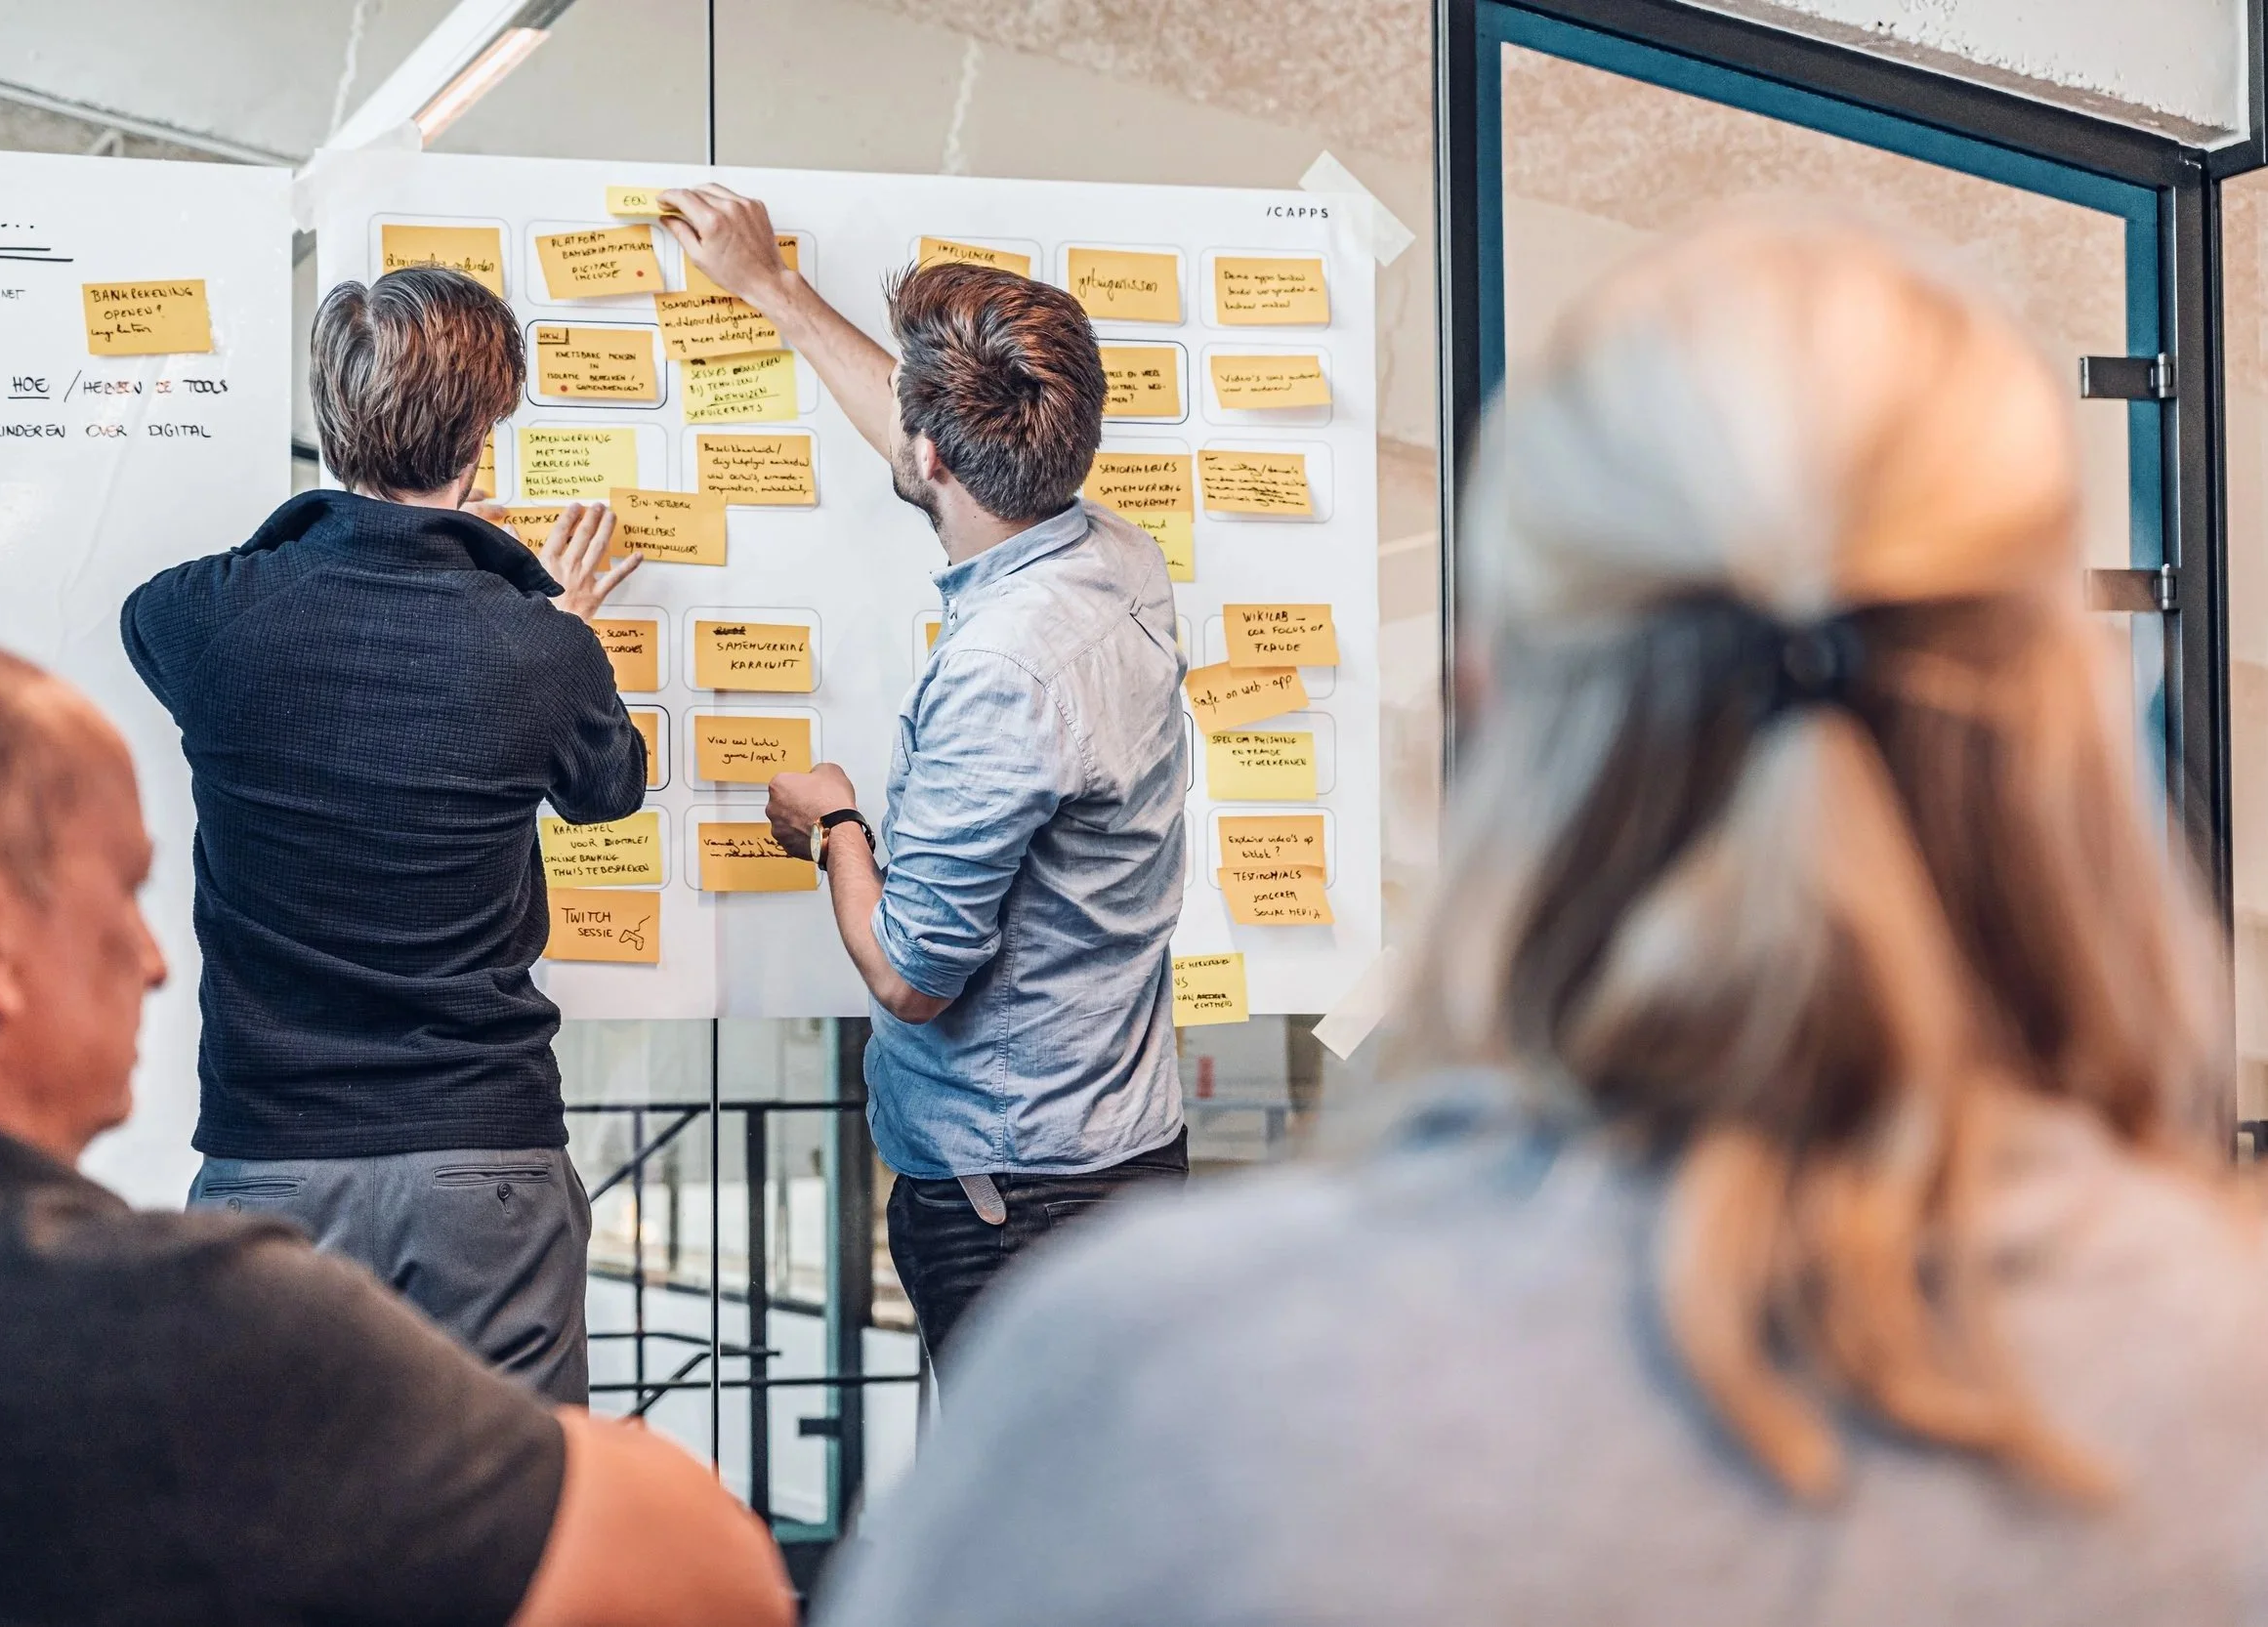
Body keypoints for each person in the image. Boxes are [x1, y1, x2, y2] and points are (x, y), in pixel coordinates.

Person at [814, 221, 2268, 1627]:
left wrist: (828, 826)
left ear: (1482, 697)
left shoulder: (1154, 1384)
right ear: (2060, 710)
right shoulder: (2225, 1371)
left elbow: (921, 971)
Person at [0, 624, 792, 1627]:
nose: (155, 958)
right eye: (123, 890)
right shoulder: (166, 1328)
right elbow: (711, 1575)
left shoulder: (218, 619)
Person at [664, 188, 1193, 1363]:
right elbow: (921, 445)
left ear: (932, 456)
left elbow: (911, 977)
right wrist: (775, 291)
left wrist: (836, 821)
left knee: (1027, 1539)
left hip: (1018, 1201)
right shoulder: (1114, 554)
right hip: (1118, 1154)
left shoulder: (1005, 665)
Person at [121, 265, 647, 1402]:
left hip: (273, 1167)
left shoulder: (206, 617)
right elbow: (609, 790)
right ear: (487, 433)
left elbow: (153, 619)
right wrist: (551, 628)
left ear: (329, 416)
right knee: (517, 1519)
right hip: (485, 1164)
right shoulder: (541, 650)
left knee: (272, 1527)